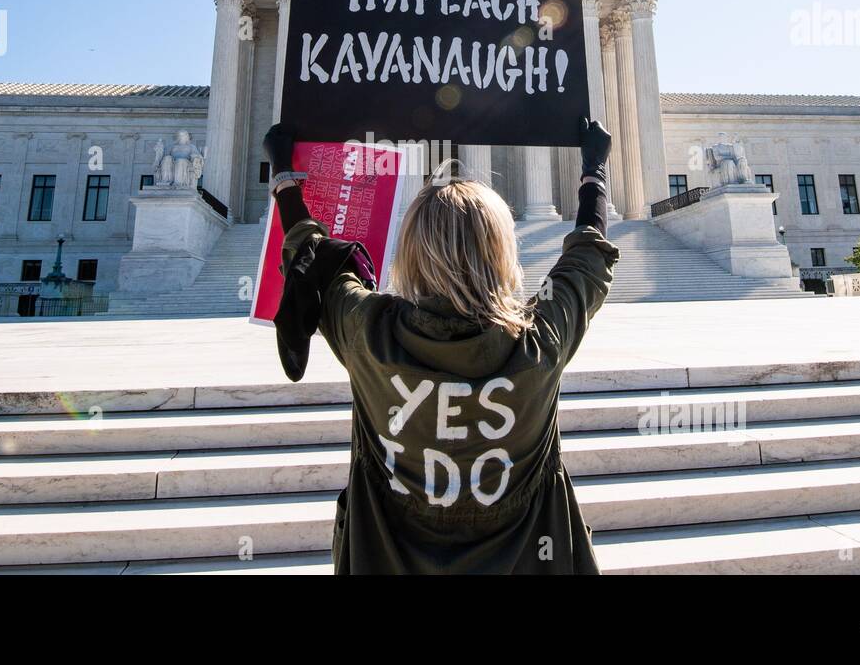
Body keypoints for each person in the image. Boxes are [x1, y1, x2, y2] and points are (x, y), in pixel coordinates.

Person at [263, 119, 618, 574]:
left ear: (410, 250)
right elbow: (588, 254)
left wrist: (282, 172)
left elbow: (308, 250)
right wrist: (594, 167)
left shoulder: (368, 331)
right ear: (503, 252)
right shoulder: (540, 340)